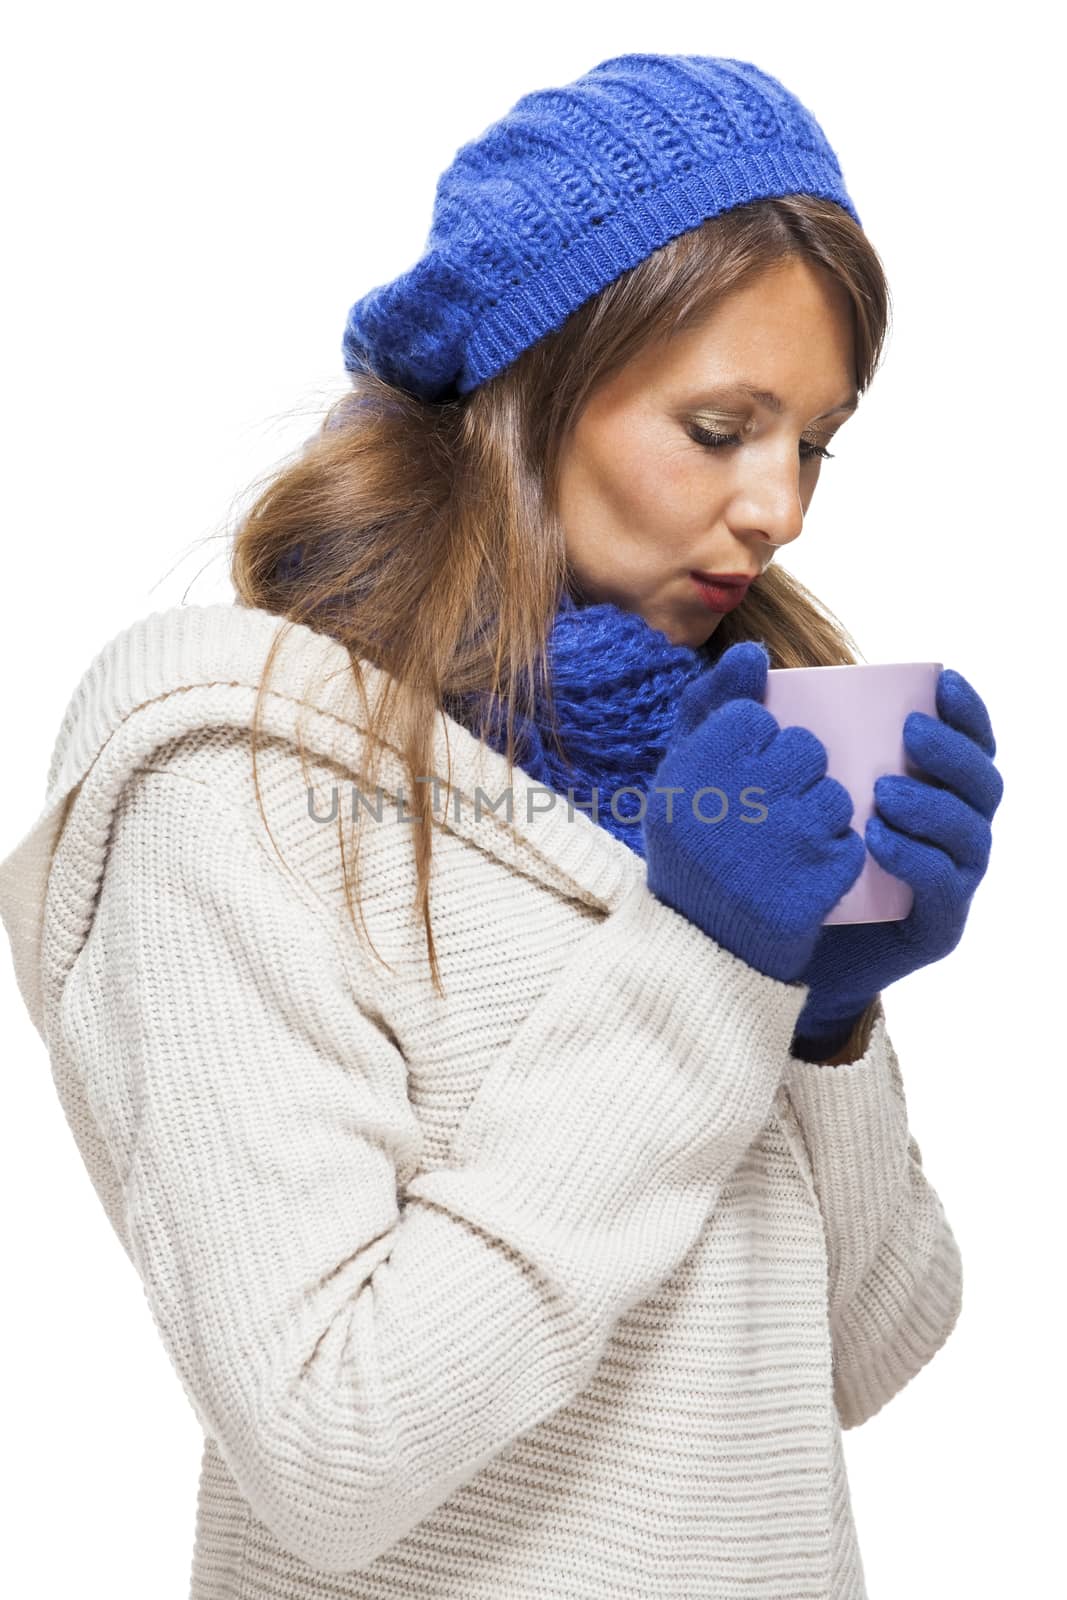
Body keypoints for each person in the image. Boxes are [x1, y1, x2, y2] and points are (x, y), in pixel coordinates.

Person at [0, 51, 1003, 1600]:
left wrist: (825, 1018)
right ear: (525, 390)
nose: (783, 508)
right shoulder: (235, 779)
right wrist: (699, 962)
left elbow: (864, 1357)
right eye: (722, 426)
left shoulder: (727, 754)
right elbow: (330, 1446)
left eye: (813, 441)